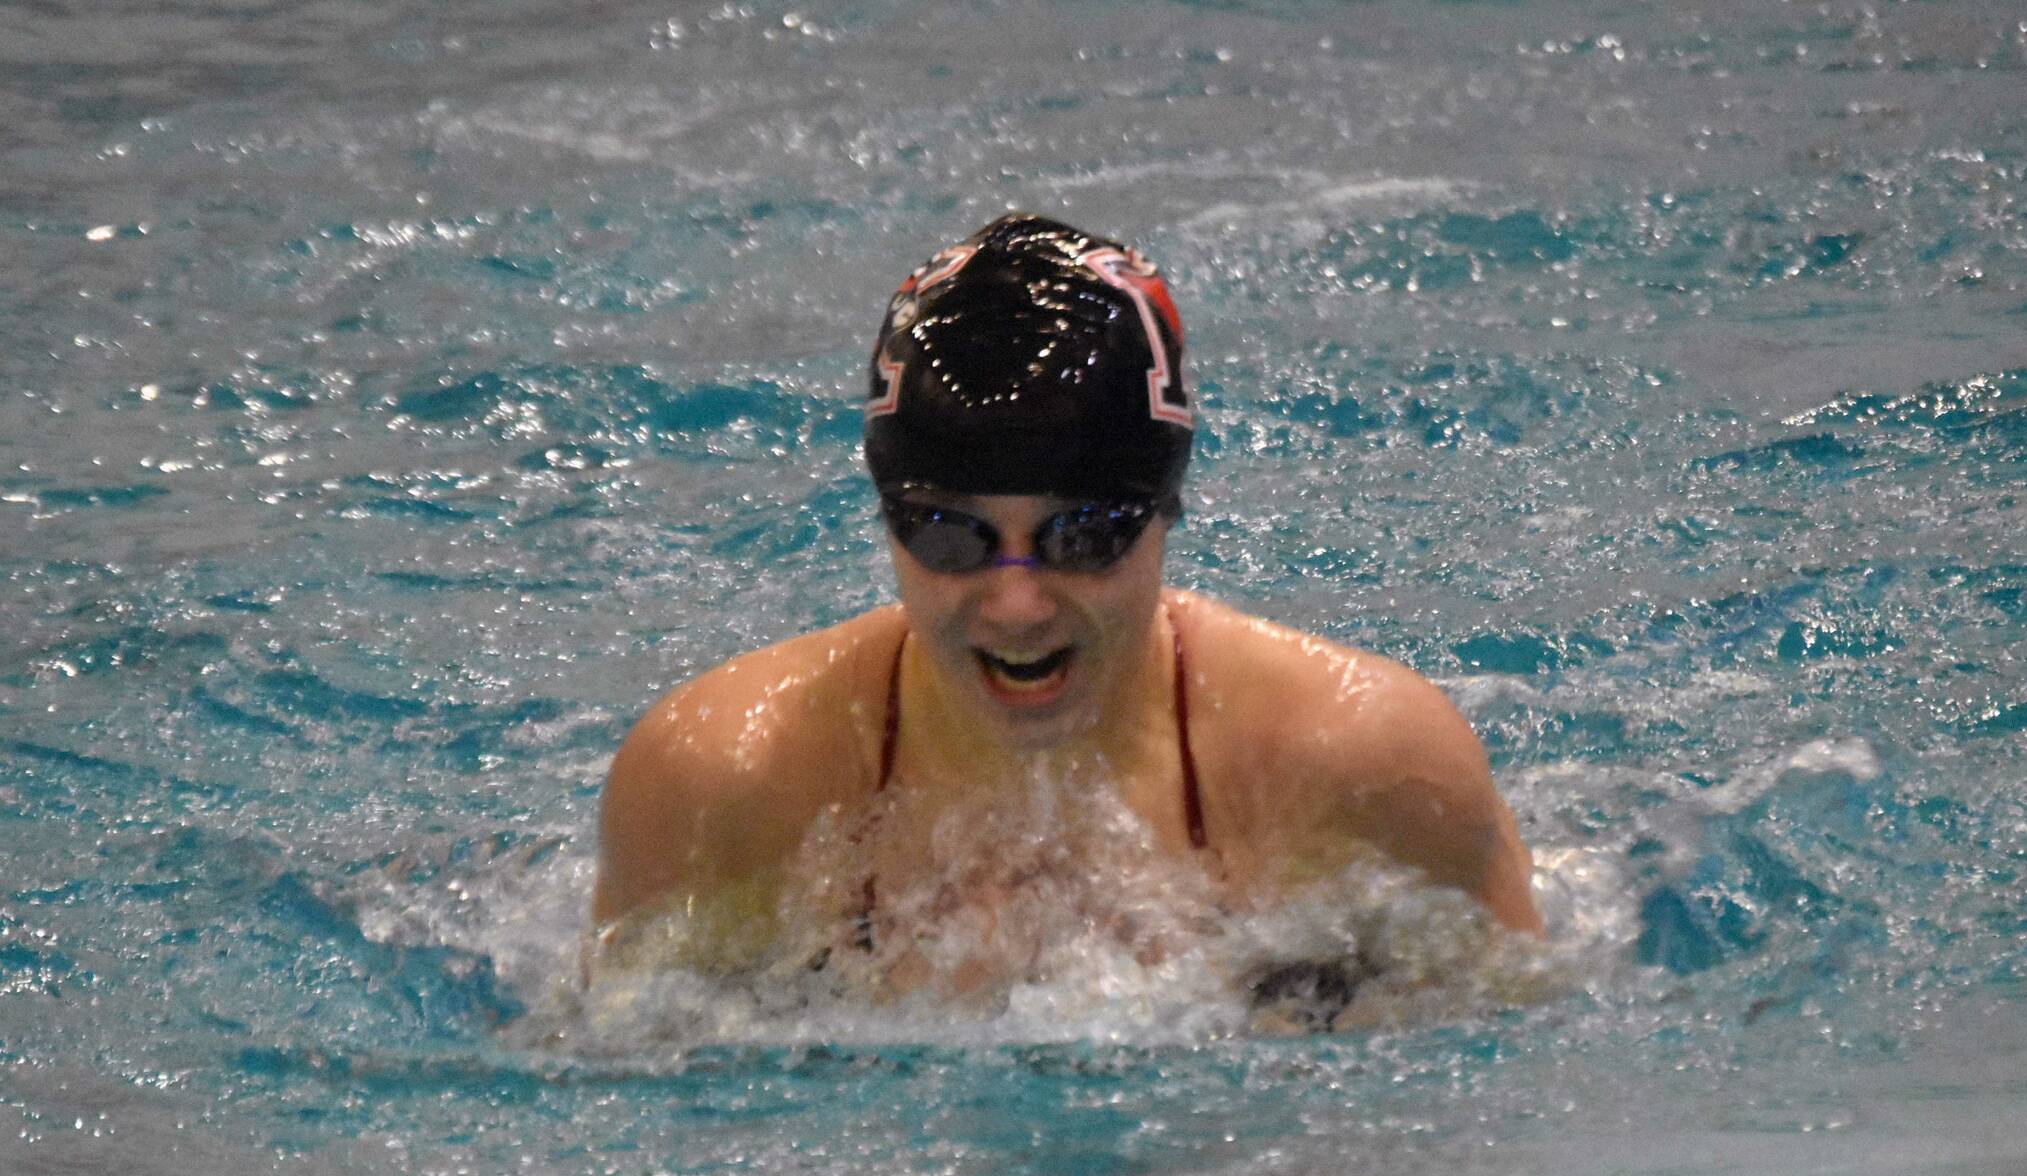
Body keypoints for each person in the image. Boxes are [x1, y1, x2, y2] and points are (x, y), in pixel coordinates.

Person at [590, 213, 1538, 1000]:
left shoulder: (1365, 768)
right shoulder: (724, 786)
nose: (1014, 603)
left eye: (1081, 536)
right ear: (885, 522)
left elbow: (1505, 1088)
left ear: (1167, 511)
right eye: (950, 536)